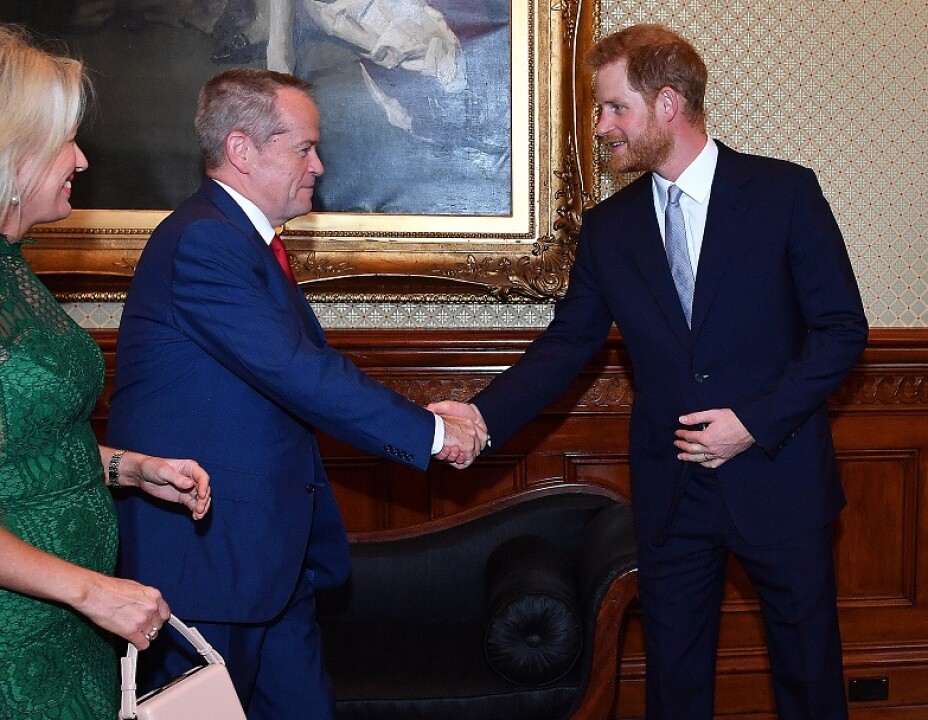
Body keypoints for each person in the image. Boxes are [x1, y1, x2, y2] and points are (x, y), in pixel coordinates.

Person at [430, 24, 867, 720]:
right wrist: (483, 417)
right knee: (674, 684)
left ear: (668, 104)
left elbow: (844, 332)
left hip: (779, 480)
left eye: (613, 108)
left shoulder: (784, 194)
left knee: (809, 679)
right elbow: (568, 345)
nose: (601, 127)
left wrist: (752, 424)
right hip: (673, 493)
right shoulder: (610, 228)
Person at [106, 67, 485, 718]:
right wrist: (432, 433)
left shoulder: (243, 245)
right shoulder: (205, 242)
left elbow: (305, 372)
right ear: (242, 149)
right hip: (210, 570)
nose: (319, 164)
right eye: (303, 147)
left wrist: (422, 419)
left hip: (271, 570)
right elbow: (299, 373)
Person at [0, 24, 211, 718]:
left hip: (67, 627)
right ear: (14, 149)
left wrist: (130, 468)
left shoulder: (12, 270)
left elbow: (27, 448)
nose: (82, 160)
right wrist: (94, 592)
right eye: (66, 139)